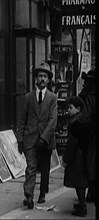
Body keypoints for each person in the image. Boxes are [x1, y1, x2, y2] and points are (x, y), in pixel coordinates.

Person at [16, 62, 57, 209]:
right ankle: (29, 195)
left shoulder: (52, 98)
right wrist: (20, 139)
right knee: (31, 167)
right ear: (36, 79)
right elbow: (22, 119)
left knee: (44, 168)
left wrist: (44, 138)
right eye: (40, 76)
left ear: (48, 80)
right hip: (30, 138)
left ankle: (42, 193)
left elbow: (53, 121)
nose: (42, 79)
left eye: (45, 76)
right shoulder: (28, 97)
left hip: (45, 140)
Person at [71, 69, 96, 205]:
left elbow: (85, 118)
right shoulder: (87, 94)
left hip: (90, 137)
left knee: (89, 166)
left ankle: (92, 192)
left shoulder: (90, 96)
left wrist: (75, 127)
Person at [62, 96, 88, 217]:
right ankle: (81, 204)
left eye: (70, 108)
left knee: (79, 183)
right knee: (81, 182)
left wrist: (66, 159)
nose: (68, 110)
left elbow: (72, 143)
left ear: (78, 109)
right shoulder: (82, 119)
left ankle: (82, 206)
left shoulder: (73, 123)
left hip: (77, 156)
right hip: (83, 154)